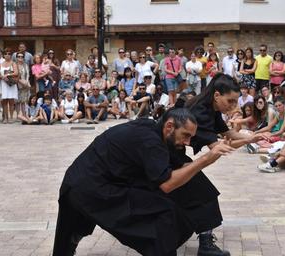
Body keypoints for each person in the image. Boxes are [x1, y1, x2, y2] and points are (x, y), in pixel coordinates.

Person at [52, 108, 236, 256]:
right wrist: (205, 160)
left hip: (84, 180)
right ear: (170, 126)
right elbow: (167, 184)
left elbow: (172, 168)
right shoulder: (149, 141)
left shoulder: (153, 129)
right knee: (162, 215)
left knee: (69, 237)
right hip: (91, 187)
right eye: (185, 135)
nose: (188, 142)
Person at [177, 73, 269, 256]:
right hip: (167, 155)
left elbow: (227, 134)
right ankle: (205, 246)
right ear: (217, 95)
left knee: (197, 193)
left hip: (175, 155)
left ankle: (200, 238)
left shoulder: (212, 108)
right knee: (205, 194)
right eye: (231, 101)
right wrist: (248, 141)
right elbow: (219, 147)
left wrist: (252, 137)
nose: (234, 106)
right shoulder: (200, 113)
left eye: (236, 102)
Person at [0, 48, 18, 124]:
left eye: (9, 54)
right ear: (3, 55)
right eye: (6, 53)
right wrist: (2, 77)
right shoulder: (0, 64)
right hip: (4, 84)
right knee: (4, 101)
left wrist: (8, 75)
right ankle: (5, 117)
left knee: (11, 101)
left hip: (11, 84)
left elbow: (16, 73)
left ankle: (11, 117)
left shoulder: (13, 63)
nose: (7, 55)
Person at [16, 51, 31, 119]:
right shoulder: (14, 65)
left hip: (25, 84)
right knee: (17, 101)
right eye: (18, 56)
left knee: (23, 101)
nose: (20, 58)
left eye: (21, 57)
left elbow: (27, 74)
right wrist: (20, 82)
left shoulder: (25, 65)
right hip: (17, 84)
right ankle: (18, 115)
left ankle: (24, 114)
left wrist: (26, 82)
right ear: (16, 58)